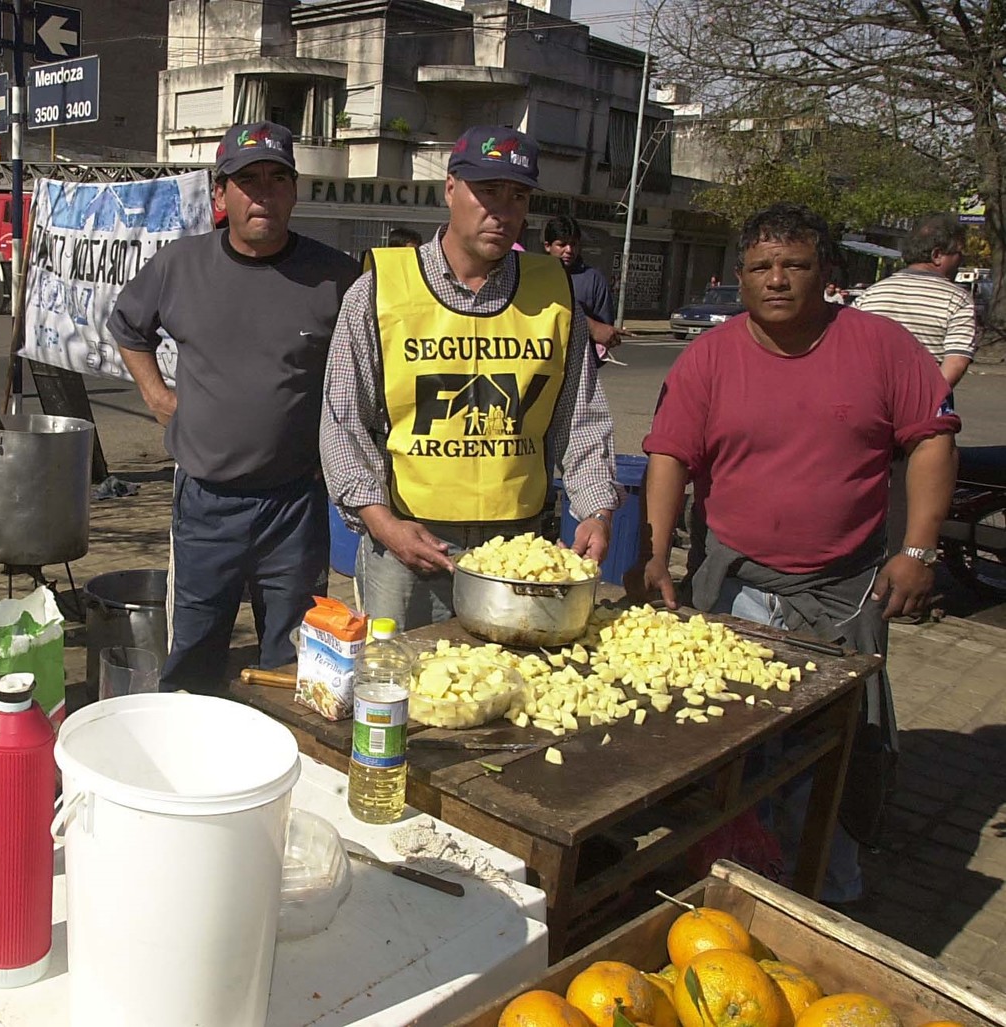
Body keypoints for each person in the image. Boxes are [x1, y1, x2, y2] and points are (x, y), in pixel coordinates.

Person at [629, 203, 958, 903]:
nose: (776, 279)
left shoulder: (880, 346)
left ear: (825, 274)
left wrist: (918, 548)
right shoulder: (709, 358)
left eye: (794, 265)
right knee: (728, 742)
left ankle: (824, 888)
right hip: (735, 582)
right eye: (760, 267)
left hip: (846, 589)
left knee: (835, 746)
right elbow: (668, 456)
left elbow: (930, 440)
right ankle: (731, 880)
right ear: (739, 278)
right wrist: (655, 552)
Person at [321, 126, 620, 630]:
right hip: (409, 550)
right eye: (487, 192)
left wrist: (596, 510)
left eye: (518, 196)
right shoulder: (378, 292)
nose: (501, 212)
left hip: (520, 551)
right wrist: (382, 524)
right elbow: (343, 425)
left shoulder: (556, 295)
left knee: (512, 691)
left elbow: (580, 418)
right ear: (451, 189)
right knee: (403, 685)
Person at [108, 121, 360, 693]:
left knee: (295, 660)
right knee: (194, 653)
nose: (263, 194)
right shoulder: (180, 265)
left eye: (277, 179)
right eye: (247, 181)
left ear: (294, 192)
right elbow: (128, 325)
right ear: (221, 196)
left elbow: (367, 373)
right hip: (206, 504)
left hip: (294, 504)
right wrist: (155, 395)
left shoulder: (337, 278)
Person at [853, 214, 975, 392]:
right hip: (924, 402)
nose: (961, 260)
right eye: (958, 253)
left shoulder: (870, 294)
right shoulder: (958, 300)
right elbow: (956, 361)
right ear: (937, 255)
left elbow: (848, 350)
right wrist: (926, 400)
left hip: (870, 400)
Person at [542, 214, 625, 359]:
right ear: (548, 246)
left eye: (573, 244)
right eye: (562, 244)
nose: (569, 250)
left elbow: (603, 333)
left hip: (578, 365)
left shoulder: (594, 280)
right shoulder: (534, 277)